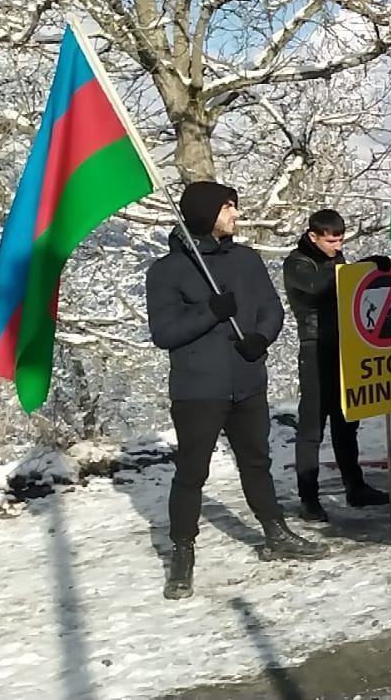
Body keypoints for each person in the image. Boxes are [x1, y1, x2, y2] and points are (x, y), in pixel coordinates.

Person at [146, 180, 325, 601]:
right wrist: (211, 312)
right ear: (207, 213)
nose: (237, 215)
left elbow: (271, 308)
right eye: (229, 208)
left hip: (247, 382)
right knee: (192, 473)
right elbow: (164, 332)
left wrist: (261, 339)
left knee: (256, 462)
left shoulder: (245, 260)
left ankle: (275, 531)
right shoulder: (166, 271)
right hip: (198, 390)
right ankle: (182, 553)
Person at [282, 208, 391, 521]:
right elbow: (322, 286)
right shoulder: (297, 263)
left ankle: (355, 487)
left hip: (343, 347)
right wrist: (365, 267)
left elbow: (345, 287)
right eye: (331, 241)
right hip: (316, 349)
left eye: (341, 240)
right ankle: (309, 498)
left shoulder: (336, 259)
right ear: (313, 236)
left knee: (347, 422)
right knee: (312, 428)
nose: (337, 247)